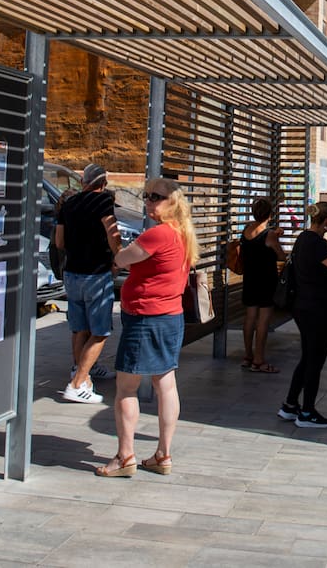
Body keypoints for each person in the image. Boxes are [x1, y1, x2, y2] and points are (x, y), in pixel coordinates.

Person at [95, 177, 199, 478]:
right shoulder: (183, 233)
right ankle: (163, 455)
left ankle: (125, 456)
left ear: (173, 202)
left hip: (145, 319)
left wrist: (112, 235)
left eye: (155, 197)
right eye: (146, 195)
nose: (148, 201)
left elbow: (121, 259)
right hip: (170, 316)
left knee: (126, 388)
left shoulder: (159, 234)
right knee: (165, 384)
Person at [277, 200, 327, 429]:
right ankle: (307, 412)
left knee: (308, 357)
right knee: (315, 361)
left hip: (302, 306)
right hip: (317, 309)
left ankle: (290, 405)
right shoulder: (318, 245)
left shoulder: (302, 238)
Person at [57, 162, 121, 404]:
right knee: (100, 332)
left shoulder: (69, 203)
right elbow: (112, 233)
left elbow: (59, 242)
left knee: (79, 328)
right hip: (96, 273)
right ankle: (78, 383)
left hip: (72, 273)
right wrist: (119, 256)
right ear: (103, 184)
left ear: (83, 182)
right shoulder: (103, 201)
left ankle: (83, 371)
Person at [240, 196, 287, 374]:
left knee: (250, 317)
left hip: (249, 279)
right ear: (270, 215)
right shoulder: (269, 235)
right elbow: (281, 256)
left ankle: (248, 356)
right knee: (263, 320)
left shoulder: (246, 230)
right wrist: (277, 237)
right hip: (266, 281)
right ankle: (259, 360)